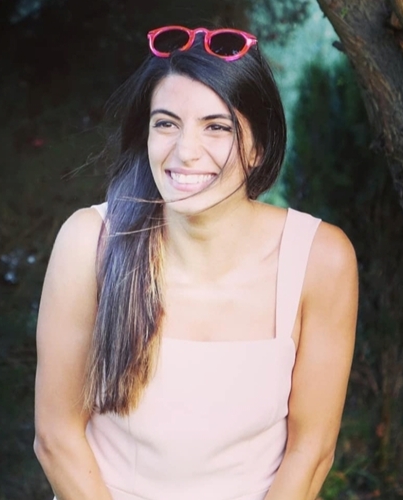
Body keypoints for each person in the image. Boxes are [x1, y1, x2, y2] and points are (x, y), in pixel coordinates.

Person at [33, 24, 359, 500]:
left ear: (258, 146)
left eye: (217, 127)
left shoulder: (320, 258)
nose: (185, 152)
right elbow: (56, 437)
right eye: (166, 123)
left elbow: (311, 452)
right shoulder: (91, 241)